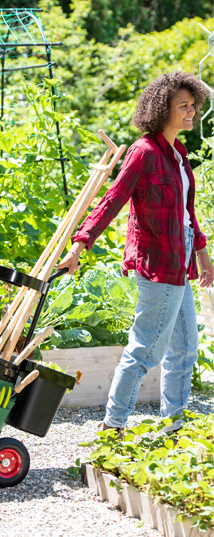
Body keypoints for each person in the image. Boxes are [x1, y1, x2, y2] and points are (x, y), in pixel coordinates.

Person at [57, 71, 214, 432]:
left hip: (182, 260)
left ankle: (173, 426)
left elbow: (186, 212)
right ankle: (114, 426)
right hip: (158, 264)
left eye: (193, 105)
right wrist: (81, 244)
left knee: (186, 350)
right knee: (145, 351)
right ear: (162, 109)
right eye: (183, 106)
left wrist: (202, 252)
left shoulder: (178, 153)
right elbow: (113, 201)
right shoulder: (143, 153)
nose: (192, 112)